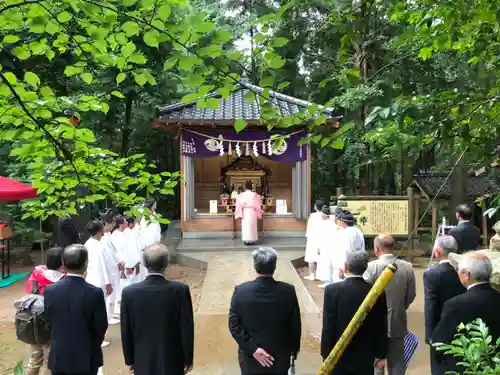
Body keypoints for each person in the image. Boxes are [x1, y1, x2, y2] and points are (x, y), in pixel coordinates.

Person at [120, 243, 194, 375]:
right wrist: (188, 358)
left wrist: (129, 359)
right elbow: (186, 328)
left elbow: (126, 330)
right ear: (166, 263)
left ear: (144, 264)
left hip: (142, 358)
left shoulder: (129, 293)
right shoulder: (180, 290)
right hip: (172, 358)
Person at [229, 247, 301, 375]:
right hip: (279, 357)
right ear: (274, 266)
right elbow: (295, 325)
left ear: (255, 266)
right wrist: (293, 352)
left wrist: (253, 349)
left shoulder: (241, 291)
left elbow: (234, 326)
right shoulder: (288, 291)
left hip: (251, 358)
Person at [44, 244, 108, 375]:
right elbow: (101, 326)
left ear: (63, 263)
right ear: (86, 263)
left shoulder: (50, 291)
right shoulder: (94, 292)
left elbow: (49, 321)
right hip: (86, 355)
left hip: (60, 355)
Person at [321, 251, 388, 375]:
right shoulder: (376, 292)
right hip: (365, 354)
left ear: (346, 267)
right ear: (366, 268)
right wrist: (381, 354)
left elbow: (328, 326)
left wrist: (325, 353)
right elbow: (381, 325)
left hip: (338, 353)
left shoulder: (332, 290)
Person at [432, 251, 500, 373]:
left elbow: (440, 341)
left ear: (467, 275)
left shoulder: (455, 304)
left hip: (467, 366)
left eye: (459, 269)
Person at [364, 234, 416, 375]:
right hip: (398, 320)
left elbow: (365, 298)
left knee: (376, 363)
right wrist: (400, 306)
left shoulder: (371, 268)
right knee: (397, 363)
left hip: (374, 323)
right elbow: (411, 295)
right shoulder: (407, 267)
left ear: (376, 249)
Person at [423, 236, 465, 375]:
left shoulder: (432, 275)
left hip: (439, 328)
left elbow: (431, 306)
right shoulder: (465, 272)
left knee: (439, 367)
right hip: (463, 326)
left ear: (437, 251)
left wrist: (429, 334)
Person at [24, 247, 65, 375]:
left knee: (34, 358)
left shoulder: (36, 272)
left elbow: (28, 293)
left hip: (33, 321)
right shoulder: (63, 280)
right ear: (63, 263)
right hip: (51, 327)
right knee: (50, 362)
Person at [84, 220, 113, 348]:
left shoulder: (87, 244)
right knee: (102, 310)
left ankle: (94, 335)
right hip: (100, 281)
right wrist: (108, 283)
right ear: (100, 231)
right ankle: (99, 336)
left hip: (90, 280)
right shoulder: (98, 247)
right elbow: (102, 266)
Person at [99, 210, 121, 324]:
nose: (114, 225)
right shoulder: (103, 237)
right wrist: (117, 263)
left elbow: (113, 252)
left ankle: (111, 314)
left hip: (113, 266)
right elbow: (108, 255)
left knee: (111, 295)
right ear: (107, 223)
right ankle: (108, 316)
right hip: (108, 268)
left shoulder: (108, 235)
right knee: (108, 295)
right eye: (112, 222)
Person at [317, 206, 342, 288]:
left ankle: (328, 282)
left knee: (326, 264)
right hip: (332, 246)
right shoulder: (333, 223)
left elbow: (320, 237)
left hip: (325, 246)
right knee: (330, 265)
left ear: (323, 215)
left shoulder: (322, 224)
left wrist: (318, 247)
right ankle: (330, 281)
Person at [234, 180, 263, 245]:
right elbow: (258, 205)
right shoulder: (255, 195)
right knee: (252, 225)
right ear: (251, 187)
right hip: (253, 211)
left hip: (245, 211)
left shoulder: (241, 195)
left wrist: (238, 212)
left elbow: (238, 204)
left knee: (245, 226)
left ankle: (246, 240)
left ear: (245, 187)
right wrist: (259, 212)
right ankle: (252, 239)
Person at [304, 200, 327, 281]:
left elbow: (309, 227)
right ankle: (322, 275)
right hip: (322, 238)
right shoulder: (325, 216)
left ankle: (312, 274)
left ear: (315, 206)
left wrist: (307, 236)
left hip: (313, 238)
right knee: (321, 257)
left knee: (311, 257)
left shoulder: (313, 215)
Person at [139, 199, 162, 280]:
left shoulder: (155, 215)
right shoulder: (145, 218)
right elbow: (144, 232)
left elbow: (156, 230)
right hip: (148, 244)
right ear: (151, 206)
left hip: (155, 243)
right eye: (155, 204)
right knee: (148, 264)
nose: (156, 205)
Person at [121, 215, 143, 285]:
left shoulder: (126, 232)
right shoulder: (129, 233)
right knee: (132, 281)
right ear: (130, 223)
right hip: (132, 262)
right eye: (134, 223)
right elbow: (130, 250)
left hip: (131, 262)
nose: (135, 224)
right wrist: (129, 265)